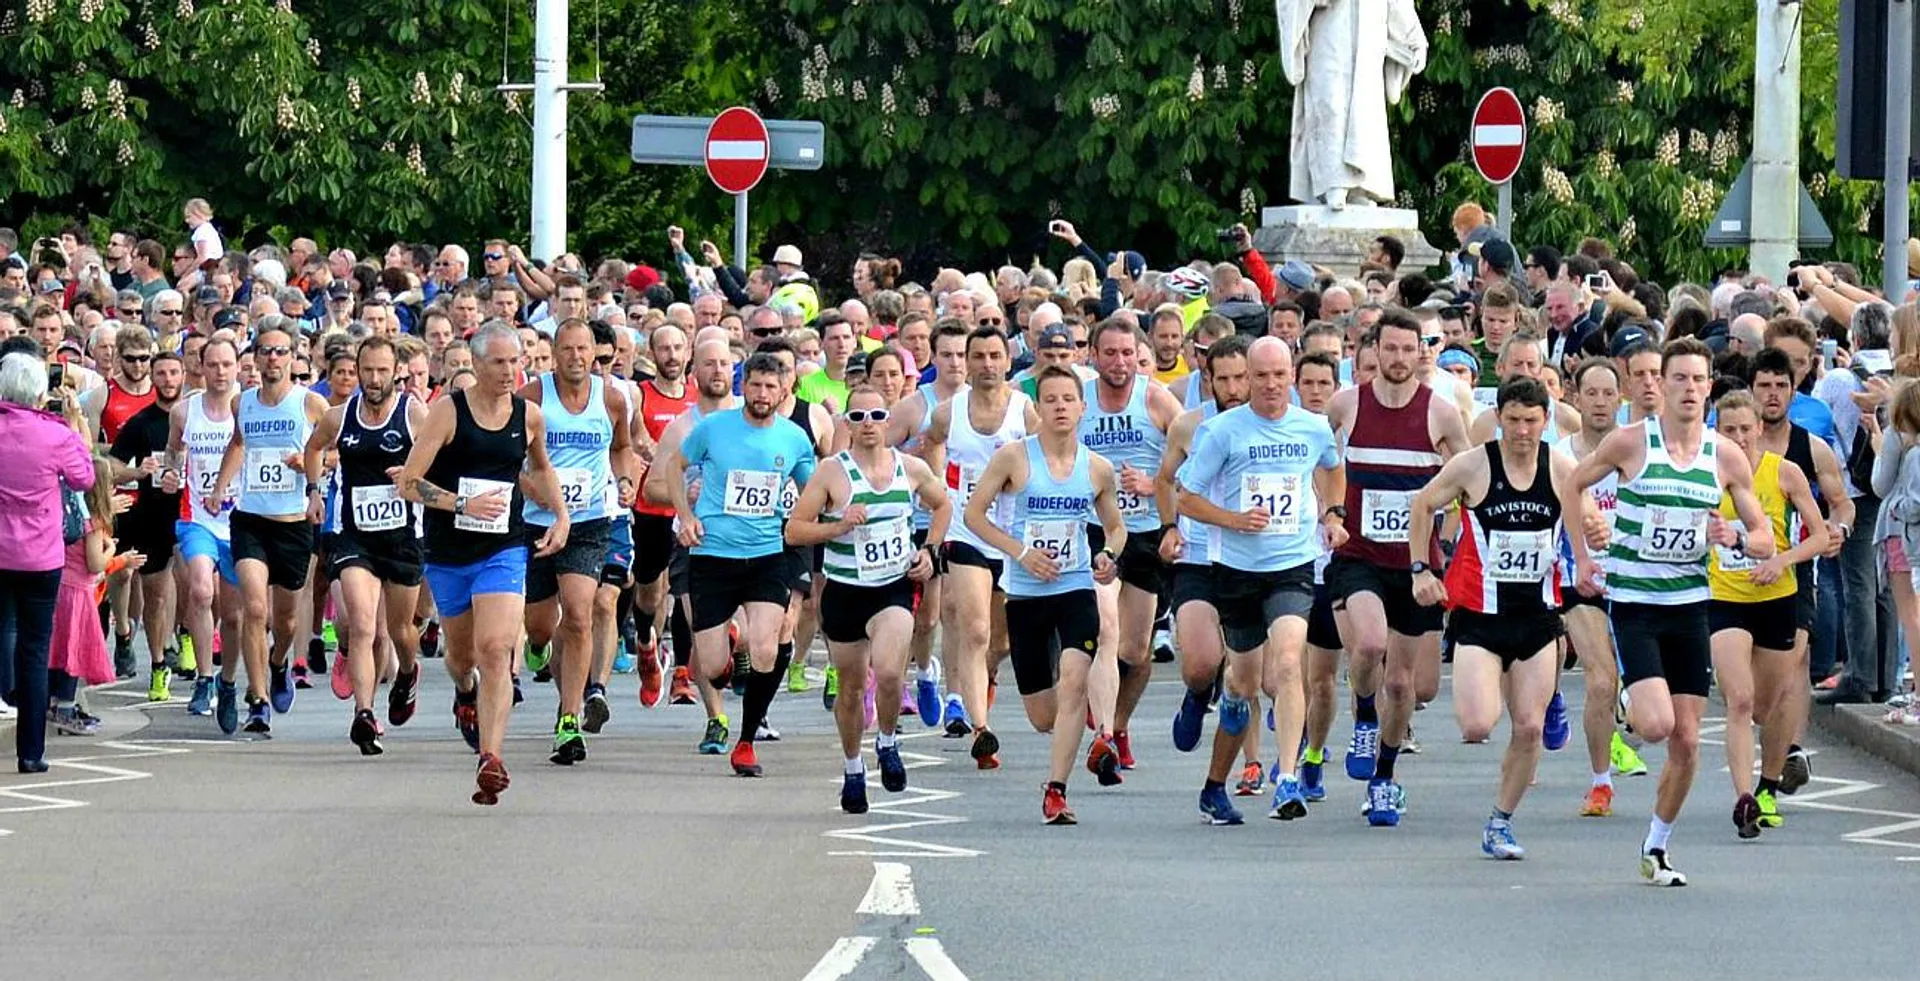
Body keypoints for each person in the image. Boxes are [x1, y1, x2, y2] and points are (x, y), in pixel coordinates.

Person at [1563, 336, 1774, 886]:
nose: (1686, 388)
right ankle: (1630, 700)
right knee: (1655, 724)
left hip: (1690, 605)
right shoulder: (1632, 442)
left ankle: (1656, 847)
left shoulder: (1724, 456)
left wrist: (1732, 535)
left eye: (1697, 380)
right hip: (1635, 601)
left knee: (1685, 739)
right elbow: (1574, 483)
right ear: (1658, 385)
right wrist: (1585, 550)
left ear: (1709, 387)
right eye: (1675, 378)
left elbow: (1764, 539)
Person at [395, 322, 570, 804]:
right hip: (450, 552)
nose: (510, 371)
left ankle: (490, 759)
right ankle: (465, 690)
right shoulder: (447, 413)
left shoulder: (529, 415)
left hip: (504, 547)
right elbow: (409, 482)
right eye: (499, 362)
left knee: (497, 649)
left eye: (516, 361)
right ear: (475, 365)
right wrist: (459, 504)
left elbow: (540, 468)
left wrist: (560, 514)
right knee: (462, 656)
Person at [1175, 338, 1345, 825]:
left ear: (1292, 375)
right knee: (1243, 684)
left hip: (1292, 566)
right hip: (1236, 572)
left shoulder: (1313, 428)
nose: (1272, 385)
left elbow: (1333, 472)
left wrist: (1333, 514)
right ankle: (1214, 785)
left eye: (1280, 374)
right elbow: (1186, 497)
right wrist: (1231, 519)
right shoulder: (1222, 432)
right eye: (1261, 376)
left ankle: (1286, 777)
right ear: (1246, 378)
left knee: (1289, 665)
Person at [1409, 378, 1576, 859]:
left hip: (1539, 617)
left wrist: (1593, 533)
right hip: (1480, 616)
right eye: (1514, 420)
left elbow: (1585, 516)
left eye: (1532, 421)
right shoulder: (1474, 465)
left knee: (1528, 727)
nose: (1522, 431)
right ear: (1499, 418)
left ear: (1546, 422)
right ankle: (1512, 691)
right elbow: (1424, 504)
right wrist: (1421, 568)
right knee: (1478, 723)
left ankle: (1501, 821)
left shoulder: (1560, 467)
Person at [965, 365, 1129, 824]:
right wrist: (1020, 553)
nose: (1060, 407)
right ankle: (1080, 738)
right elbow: (975, 516)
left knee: (1077, 676)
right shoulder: (1014, 458)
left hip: (1075, 585)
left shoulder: (1097, 468)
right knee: (1044, 716)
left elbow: (1115, 526)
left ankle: (1057, 789)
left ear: (1082, 408)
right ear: (1040, 408)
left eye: (1067, 399)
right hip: (1025, 592)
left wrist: (1106, 554)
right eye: (1051, 399)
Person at [1325, 309, 1469, 825]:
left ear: (1421, 353)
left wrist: (1450, 543)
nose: (1401, 358)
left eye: (1411, 349)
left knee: (1407, 686)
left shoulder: (1441, 413)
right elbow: (1318, 464)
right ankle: (1364, 714)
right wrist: (1329, 513)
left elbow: (1469, 481)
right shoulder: (1345, 406)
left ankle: (1384, 779)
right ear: (1375, 351)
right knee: (1368, 644)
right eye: (1391, 348)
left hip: (1416, 565)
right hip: (1359, 554)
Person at [786, 385, 951, 813]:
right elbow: (795, 530)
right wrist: (837, 527)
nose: (869, 425)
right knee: (852, 690)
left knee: (891, 673)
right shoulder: (831, 473)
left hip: (892, 587)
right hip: (844, 591)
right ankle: (853, 766)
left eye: (877, 415)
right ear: (847, 425)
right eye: (858, 418)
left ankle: (889, 741)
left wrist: (929, 551)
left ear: (887, 419)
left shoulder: (909, 468)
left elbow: (943, 506)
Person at [655, 352, 818, 778]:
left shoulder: (794, 438)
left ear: (785, 391)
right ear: (744, 386)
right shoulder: (712, 429)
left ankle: (745, 741)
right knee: (711, 668)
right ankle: (726, 642)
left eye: (771, 387)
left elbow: (813, 490)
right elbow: (675, 465)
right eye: (755, 385)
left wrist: (813, 521)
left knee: (766, 648)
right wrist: (686, 517)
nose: (762, 394)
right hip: (712, 556)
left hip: (766, 555)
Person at [903, 327, 1039, 768]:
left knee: (1000, 640)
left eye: (993, 355)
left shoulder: (1023, 410)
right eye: (976, 355)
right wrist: (941, 486)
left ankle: (986, 680)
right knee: (974, 628)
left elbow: (1045, 456)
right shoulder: (949, 411)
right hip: (966, 533)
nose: (984, 364)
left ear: (1006, 360)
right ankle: (980, 729)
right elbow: (931, 444)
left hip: (1013, 536)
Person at [1705, 390, 1827, 838]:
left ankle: (1769, 784)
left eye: (1744, 428)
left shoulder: (1784, 472)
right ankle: (1745, 800)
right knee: (1738, 701)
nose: (1737, 437)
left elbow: (1821, 535)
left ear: (1760, 428)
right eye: (1728, 430)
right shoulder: (1707, 474)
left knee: (1763, 707)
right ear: (1716, 432)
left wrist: (1781, 560)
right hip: (1725, 598)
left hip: (1778, 600)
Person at [302, 335, 429, 755]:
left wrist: (412, 477)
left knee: (400, 631)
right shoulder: (340, 417)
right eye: (366, 371)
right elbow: (313, 448)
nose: (373, 379)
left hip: (402, 537)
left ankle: (408, 673)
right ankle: (363, 713)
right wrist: (315, 491)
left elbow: (441, 463)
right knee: (361, 625)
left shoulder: (413, 414)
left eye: (381, 371)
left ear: (397, 372)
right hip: (354, 534)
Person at [515, 319, 634, 765]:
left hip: (589, 519)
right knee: (542, 624)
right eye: (567, 349)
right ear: (554, 352)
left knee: (581, 614)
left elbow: (622, 448)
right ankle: (537, 646)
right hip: (537, 522)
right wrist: (533, 489)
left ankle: (569, 718)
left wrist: (624, 479)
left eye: (584, 349)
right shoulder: (532, 398)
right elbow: (510, 458)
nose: (577, 357)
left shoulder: (611, 398)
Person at [206, 320, 329, 734]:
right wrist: (220, 486)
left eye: (280, 352)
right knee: (253, 608)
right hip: (250, 520)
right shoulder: (244, 403)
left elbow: (336, 454)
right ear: (255, 359)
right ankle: (257, 700)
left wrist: (310, 466)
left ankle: (278, 664)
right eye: (265, 351)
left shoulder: (310, 404)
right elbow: (238, 443)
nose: (272, 359)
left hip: (294, 524)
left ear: (294, 358)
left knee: (287, 621)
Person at [1077, 318, 1184, 767]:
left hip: (1143, 532)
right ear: (1094, 356)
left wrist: (1156, 483)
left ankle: (1118, 723)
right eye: (1110, 354)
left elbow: (1191, 460)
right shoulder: (1079, 401)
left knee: (1136, 650)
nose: (1119, 363)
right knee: (1105, 628)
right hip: (1093, 529)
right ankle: (1102, 729)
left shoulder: (1156, 400)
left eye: (1127, 354)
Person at [1747, 347, 1852, 797]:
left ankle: (1782, 759)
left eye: (1781, 386)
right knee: (1755, 688)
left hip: (1795, 575)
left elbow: (1842, 502)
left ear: (1794, 391)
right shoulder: (1727, 446)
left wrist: (1838, 527)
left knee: (1793, 664)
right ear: (1750, 391)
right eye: (1764, 386)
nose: (1773, 395)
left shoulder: (1811, 447)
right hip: (1732, 579)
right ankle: (1773, 737)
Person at [1160, 335, 1251, 781]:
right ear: (1207, 380)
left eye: (1241, 378)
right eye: (1224, 380)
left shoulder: (1276, 426)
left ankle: (1244, 760)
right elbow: (1164, 481)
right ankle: (1198, 693)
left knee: (1251, 671)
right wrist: (1169, 527)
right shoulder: (1188, 426)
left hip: (1253, 558)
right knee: (1200, 662)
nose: (1234, 388)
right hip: (1197, 555)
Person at [1559, 359, 1648, 818]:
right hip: (1581, 582)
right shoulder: (1558, 454)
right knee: (1600, 679)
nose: (1598, 402)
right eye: (1589, 393)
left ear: (1621, 398)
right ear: (1576, 398)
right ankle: (1600, 782)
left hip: (1636, 580)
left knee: (1648, 705)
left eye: (1607, 394)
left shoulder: (1640, 451)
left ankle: (1626, 726)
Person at [0, 351, 96, 773]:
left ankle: (6, 691)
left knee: (5, 632)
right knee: (35, 651)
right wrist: (72, 424)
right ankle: (31, 751)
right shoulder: (53, 433)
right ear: (41, 393)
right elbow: (84, 478)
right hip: (40, 555)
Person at [643, 339, 740, 751]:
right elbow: (652, 488)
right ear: (693, 373)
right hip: (695, 542)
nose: (717, 371)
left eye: (724, 363)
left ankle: (741, 666)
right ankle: (716, 717)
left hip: (748, 541)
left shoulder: (750, 419)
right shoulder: (683, 427)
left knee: (748, 637)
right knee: (705, 634)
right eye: (708, 364)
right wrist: (689, 496)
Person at [167, 336, 245, 727]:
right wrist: (168, 472)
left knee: (232, 615)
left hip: (240, 521)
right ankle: (203, 678)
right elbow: (172, 454)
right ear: (201, 366)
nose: (219, 372)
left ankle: (228, 681)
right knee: (200, 589)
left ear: (238, 366)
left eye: (227, 365)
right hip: (196, 515)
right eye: (212, 365)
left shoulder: (248, 409)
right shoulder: (184, 412)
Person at [106, 350, 186, 701]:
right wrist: (139, 471)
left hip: (190, 515)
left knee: (195, 588)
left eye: (173, 373)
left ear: (184, 375)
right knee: (154, 595)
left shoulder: (195, 418)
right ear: (152, 379)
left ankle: (188, 648)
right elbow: (112, 466)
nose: (168, 380)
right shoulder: (142, 423)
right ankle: (158, 665)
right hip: (151, 516)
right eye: (161, 374)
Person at [47, 455, 136, 736]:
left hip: (62, 586)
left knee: (57, 651)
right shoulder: (94, 522)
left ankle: (53, 702)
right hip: (78, 594)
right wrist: (112, 551)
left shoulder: (71, 513)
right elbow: (96, 563)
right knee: (74, 653)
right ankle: (66, 707)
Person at [630, 324, 693, 706]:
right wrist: (656, 455)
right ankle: (645, 642)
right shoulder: (640, 395)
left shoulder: (699, 398)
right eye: (663, 348)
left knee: (685, 587)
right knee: (651, 590)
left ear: (688, 352)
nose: (671, 355)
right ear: (652, 355)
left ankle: (682, 675)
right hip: (651, 506)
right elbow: (637, 440)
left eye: (677, 348)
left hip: (689, 509)